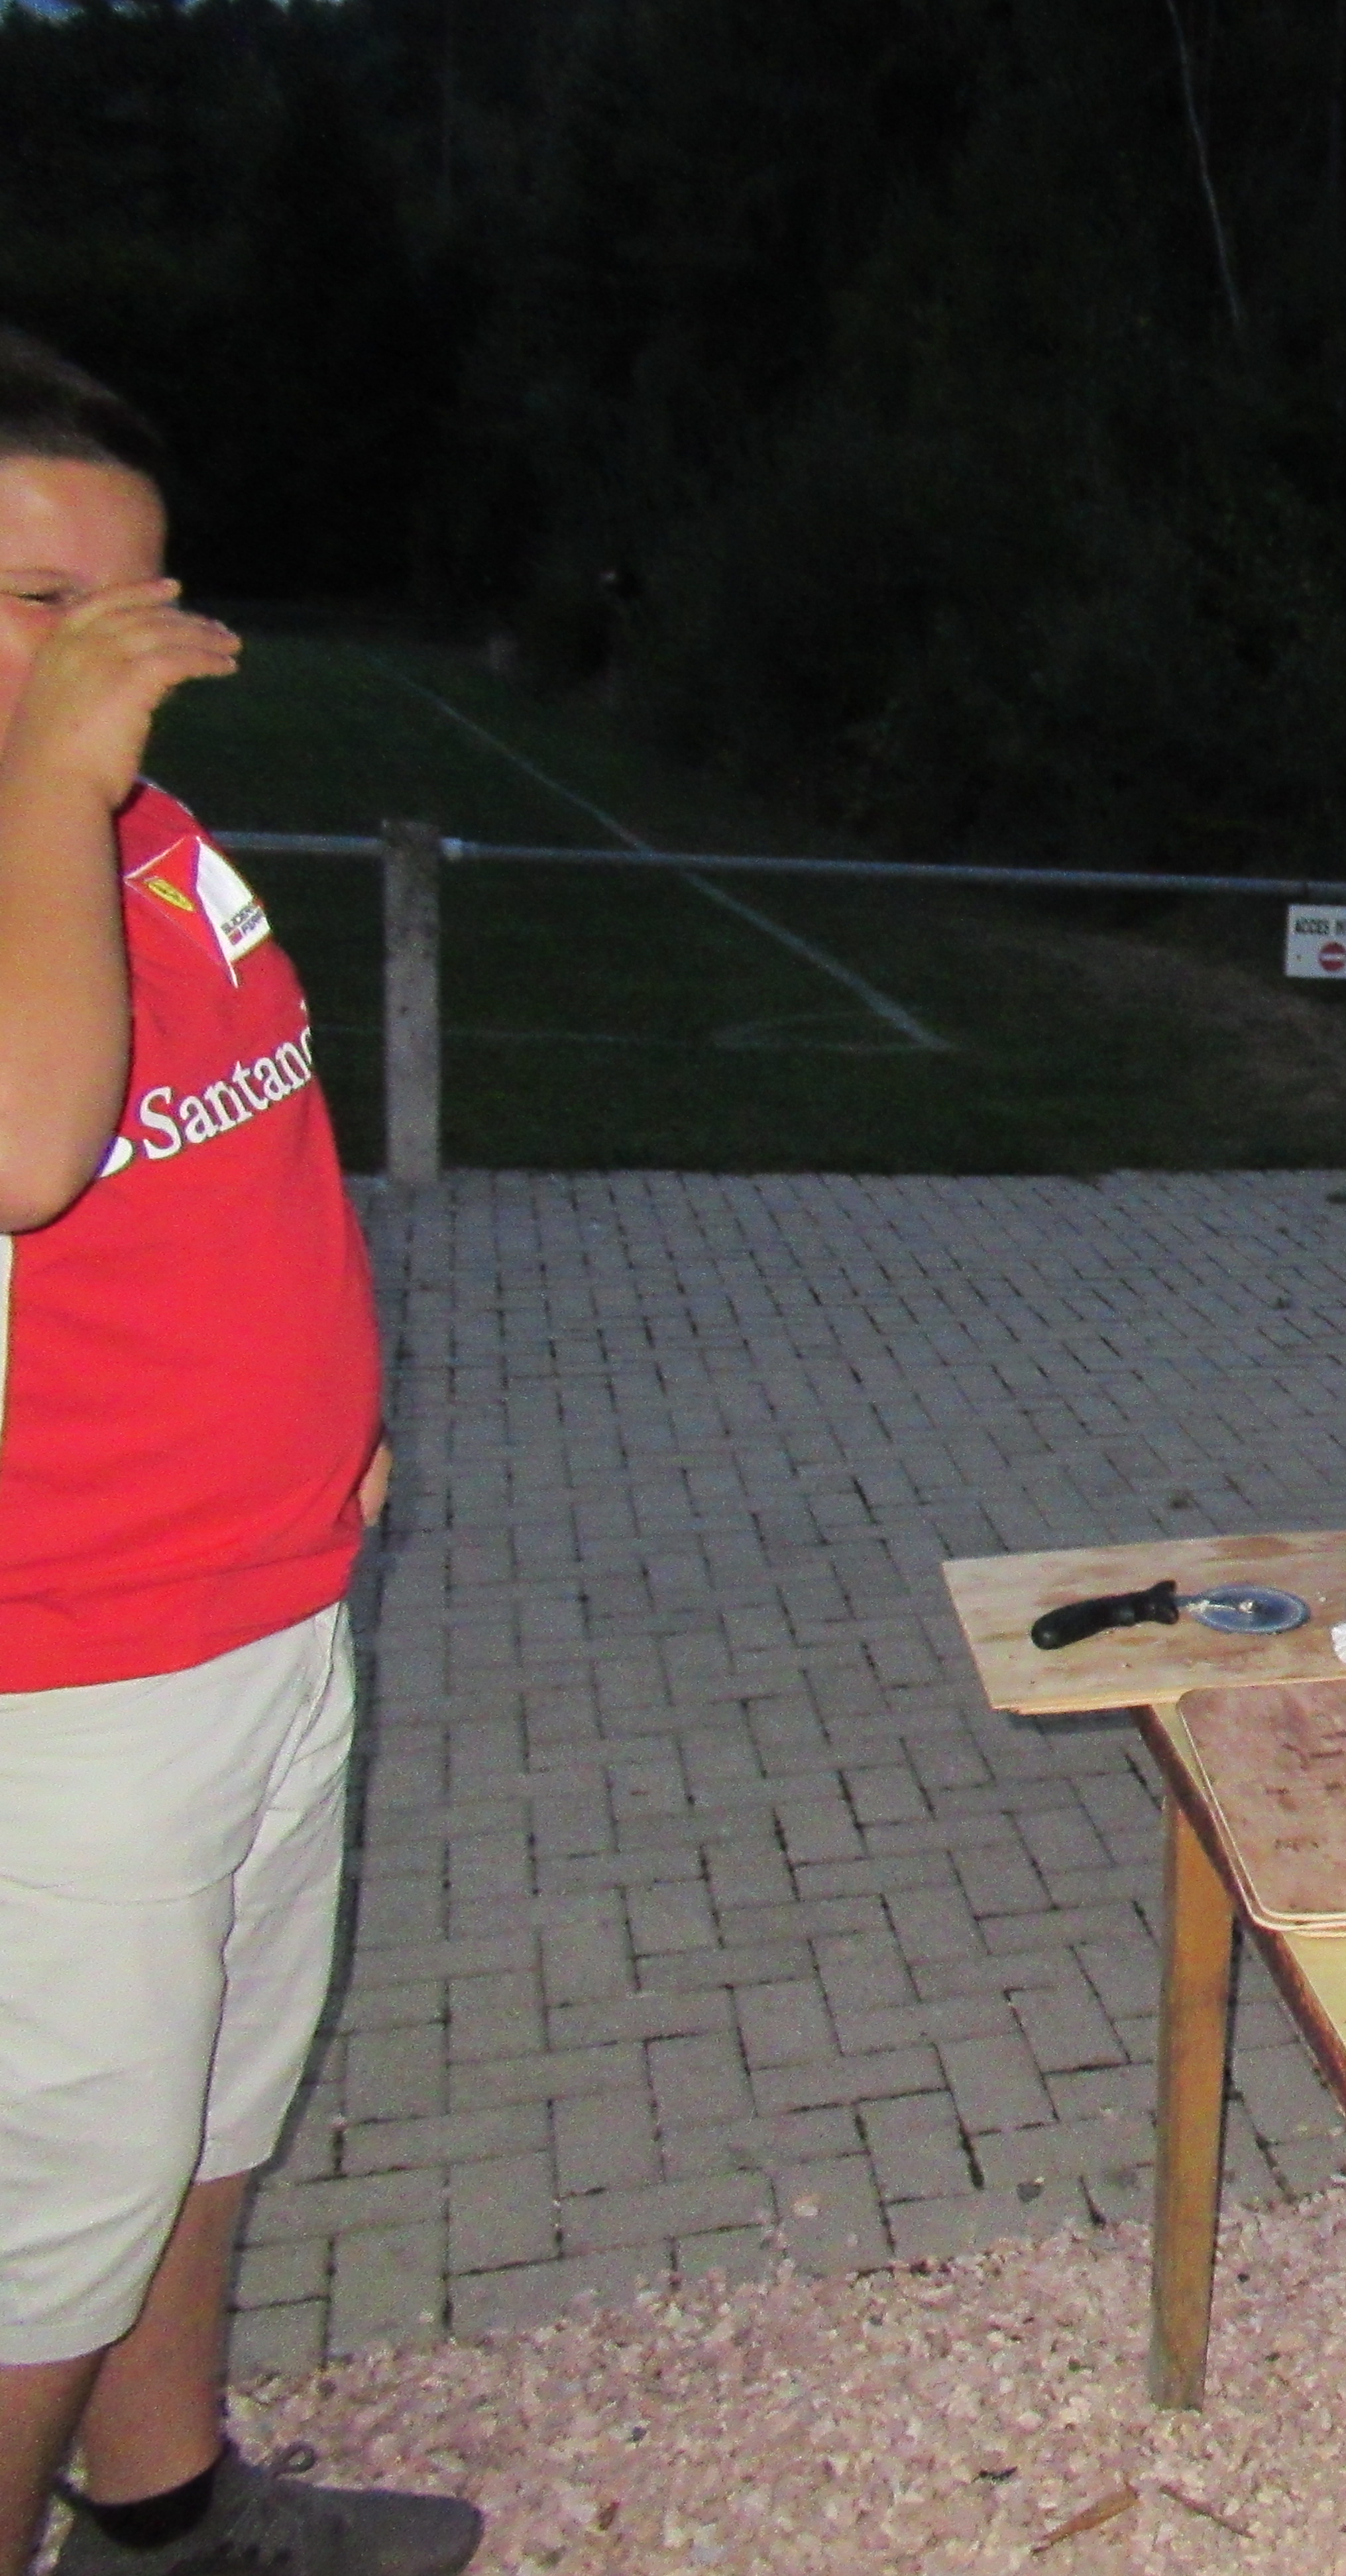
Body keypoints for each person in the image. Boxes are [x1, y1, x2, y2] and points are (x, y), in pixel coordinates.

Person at [0, 333, 480, 2576]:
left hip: (270, 1606)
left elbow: (239, 1139)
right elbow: (29, 1147)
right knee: (43, 2227)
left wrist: (336, 1416)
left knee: (206, 2114)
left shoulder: (148, 838)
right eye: (40, 598)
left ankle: (170, 2512)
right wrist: (55, 771)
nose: (110, 647)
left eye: (136, 599)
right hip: (74, 1675)